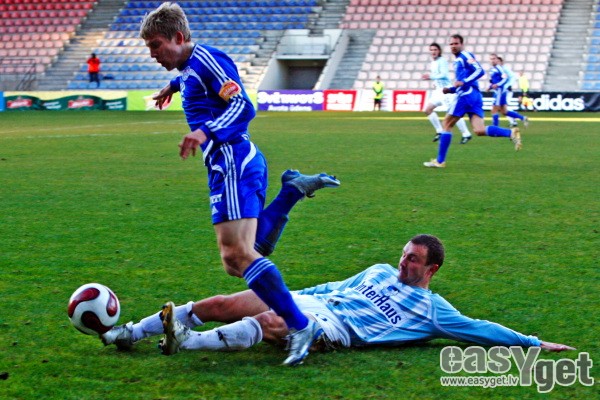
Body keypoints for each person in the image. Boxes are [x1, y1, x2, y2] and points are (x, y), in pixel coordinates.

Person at [138, 2, 340, 366]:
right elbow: (192, 78)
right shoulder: (189, 67)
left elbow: (244, 106)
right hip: (225, 162)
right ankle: (291, 192)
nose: (152, 53)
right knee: (238, 259)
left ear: (178, 37)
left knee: (239, 255)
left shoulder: (207, 59)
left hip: (232, 158)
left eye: (156, 45)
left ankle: (299, 325)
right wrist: (172, 86)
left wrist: (204, 131)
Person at [101, 234, 574, 360]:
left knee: (271, 324)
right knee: (224, 302)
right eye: (404, 254)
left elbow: (478, 330)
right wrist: (286, 295)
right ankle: (130, 332)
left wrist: (532, 343)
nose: (403, 263)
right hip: (316, 304)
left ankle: (186, 343)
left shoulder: (433, 311)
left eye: (413, 261)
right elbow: (332, 288)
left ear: (431, 270)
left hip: (333, 330)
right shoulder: (379, 270)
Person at [423, 35, 522, 169]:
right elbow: (462, 81)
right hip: (474, 95)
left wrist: (463, 82)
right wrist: (451, 89)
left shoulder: (465, 55)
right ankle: (510, 133)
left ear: (462, 44)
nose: (453, 46)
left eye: (456, 43)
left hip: (466, 95)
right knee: (479, 130)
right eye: (451, 44)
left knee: (446, 124)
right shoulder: (458, 60)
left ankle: (440, 161)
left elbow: (480, 71)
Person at [422, 42, 472, 144]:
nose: (433, 52)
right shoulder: (433, 63)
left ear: (439, 51)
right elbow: (437, 75)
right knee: (427, 110)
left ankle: (466, 133)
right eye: (431, 50)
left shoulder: (442, 61)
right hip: (438, 91)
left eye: (435, 50)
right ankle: (439, 131)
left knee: (454, 113)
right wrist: (435, 83)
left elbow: (444, 75)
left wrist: (431, 77)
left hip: (446, 91)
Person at [488, 54, 528, 128]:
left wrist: (500, 85)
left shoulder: (500, 68)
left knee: (494, 110)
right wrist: (490, 86)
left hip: (500, 91)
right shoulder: (493, 69)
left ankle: (495, 128)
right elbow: (495, 80)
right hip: (499, 91)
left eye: (494, 59)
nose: (492, 60)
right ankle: (523, 118)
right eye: (491, 59)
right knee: (504, 111)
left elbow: (506, 78)